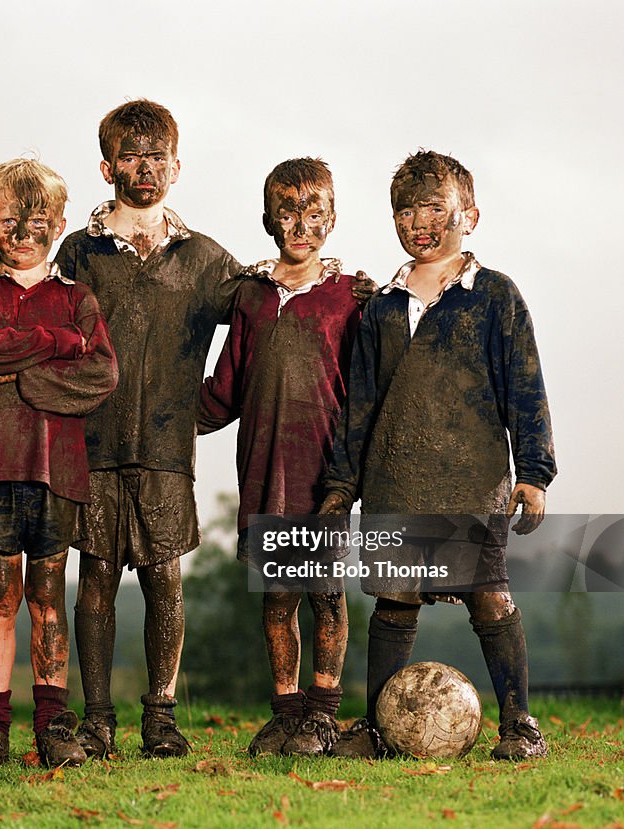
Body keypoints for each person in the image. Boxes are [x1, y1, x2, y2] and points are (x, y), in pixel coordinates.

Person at [320, 150, 556, 760]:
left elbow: (525, 388)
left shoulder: (495, 297)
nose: (418, 221)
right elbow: (359, 406)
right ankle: (377, 729)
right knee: (394, 599)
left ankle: (519, 726)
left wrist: (532, 474)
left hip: (471, 477)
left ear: (469, 215)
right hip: (395, 479)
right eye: (405, 209)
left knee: (489, 594)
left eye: (433, 207)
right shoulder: (380, 309)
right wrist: (340, 487)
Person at [55, 99, 241, 758]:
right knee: (98, 574)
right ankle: (97, 717)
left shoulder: (208, 260)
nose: (144, 166)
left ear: (177, 165)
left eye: (156, 155)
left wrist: (214, 406)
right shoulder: (78, 252)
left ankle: (160, 714)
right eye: (130, 154)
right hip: (93, 444)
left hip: (167, 447)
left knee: (165, 577)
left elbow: (263, 319)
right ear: (107, 164)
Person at [198, 157, 373, 757]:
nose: (301, 224)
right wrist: (159, 420)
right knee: (277, 600)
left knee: (326, 594)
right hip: (263, 473)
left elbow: (367, 392)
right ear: (269, 219)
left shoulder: (352, 295)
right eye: (288, 212)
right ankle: (286, 712)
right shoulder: (250, 297)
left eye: (314, 211)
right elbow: (225, 389)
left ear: (333, 217)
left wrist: (350, 479)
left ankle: (323, 715)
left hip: (325, 476)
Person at [0, 159, 118, 771]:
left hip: (60, 471)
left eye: (38, 221)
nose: (24, 233)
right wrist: (55, 345)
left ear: (61, 223)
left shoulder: (77, 296)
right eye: (9, 221)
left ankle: (53, 728)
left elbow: (102, 373)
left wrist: (18, 375)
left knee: (48, 595)